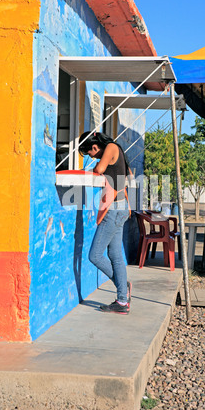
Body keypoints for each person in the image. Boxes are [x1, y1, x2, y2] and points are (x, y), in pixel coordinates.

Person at [79, 131, 132, 314]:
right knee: (116, 256)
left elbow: (99, 170)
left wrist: (94, 169)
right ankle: (122, 300)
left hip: (115, 210)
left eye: (89, 154)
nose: (91, 158)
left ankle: (123, 291)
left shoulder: (111, 147)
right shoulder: (117, 150)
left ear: (94, 147)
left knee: (94, 255)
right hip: (120, 208)